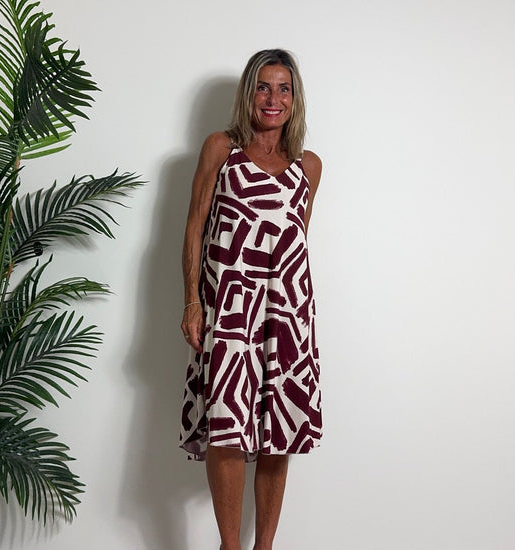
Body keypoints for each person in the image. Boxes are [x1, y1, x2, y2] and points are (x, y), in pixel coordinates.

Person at [179, 48, 322, 550]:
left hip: (287, 314)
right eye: (264, 86)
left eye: (284, 88)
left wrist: (292, 314)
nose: (273, 98)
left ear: (295, 98)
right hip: (230, 311)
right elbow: (194, 227)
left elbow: (295, 242)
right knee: (228, 424)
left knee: (278, 430)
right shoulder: (221, 148)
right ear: (249, 93)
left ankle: (265, 547)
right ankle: (230, 546)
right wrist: (192, 303)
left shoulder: (309, 166)